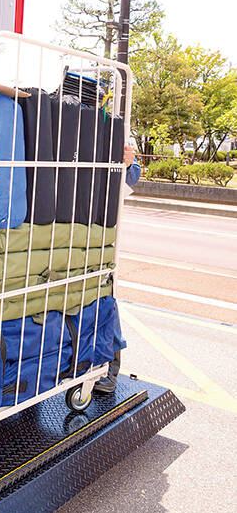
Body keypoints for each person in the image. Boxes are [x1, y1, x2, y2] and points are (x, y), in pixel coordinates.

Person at [94, 141, 141, 395]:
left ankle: (110, 369)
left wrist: (129, 161)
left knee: (104, 295)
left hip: (101, 223)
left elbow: (133, 176)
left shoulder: (115, 129)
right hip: (70, 217)